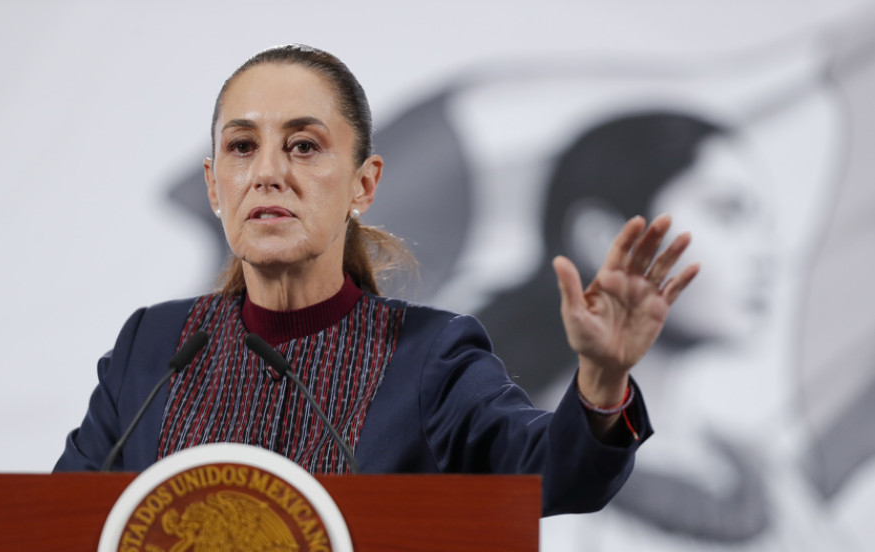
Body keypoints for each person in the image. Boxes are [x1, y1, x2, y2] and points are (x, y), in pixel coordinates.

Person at [53, 44, 698, 517]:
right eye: (241, 146)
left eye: (304, 146)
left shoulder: (427, 356)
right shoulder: (152, 347)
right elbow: (55, 533)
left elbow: (554, 474)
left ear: (364, 185)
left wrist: (603, 381)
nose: (268, 172)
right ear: (214, 185)